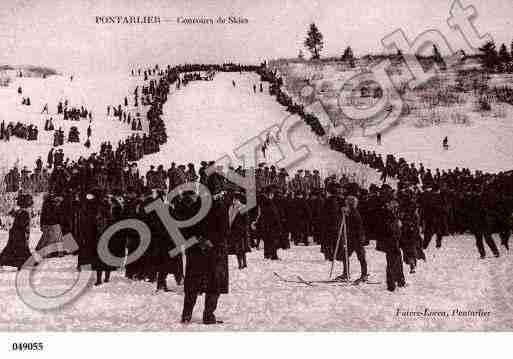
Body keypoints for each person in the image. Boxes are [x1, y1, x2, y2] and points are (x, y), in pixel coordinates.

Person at [181, 179, 229, 325]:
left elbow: (184, 229)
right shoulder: (220, 207)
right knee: (214, 285)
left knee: (192, 285)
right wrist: (211, 241)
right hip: (214, 252)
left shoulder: (194, 206)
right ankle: (208, 316)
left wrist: (198, 240)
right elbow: (224, 231)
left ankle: (186, 315)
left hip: (195, 251)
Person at [336, 195, 368, 282]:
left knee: (361, 257)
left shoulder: (354, 212)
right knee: (345, 255)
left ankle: (364, 274)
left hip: (357, 238)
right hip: (350, 238)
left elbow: (354, 224)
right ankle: (346, 273)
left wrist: (345, 214)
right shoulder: (350, 211)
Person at [0, 194, 34, 271]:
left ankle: (23, 263)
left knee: (14, 249)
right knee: (14, 249)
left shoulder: (20, 212)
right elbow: (23, 225)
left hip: (16, 233)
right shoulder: (23, 213)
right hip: (18, 234)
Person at [227, 191, 250, 269]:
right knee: (237, 249)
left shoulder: (242, 207)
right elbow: (229, 220)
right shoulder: (231, 208)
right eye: (234, 199)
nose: (235, 201)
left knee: (242, 249)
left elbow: (246, 221)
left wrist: (244, 228)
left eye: (236, 199)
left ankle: (244, 263)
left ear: (239, 200)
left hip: (241, 231)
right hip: (234, 231)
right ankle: (240, 264)